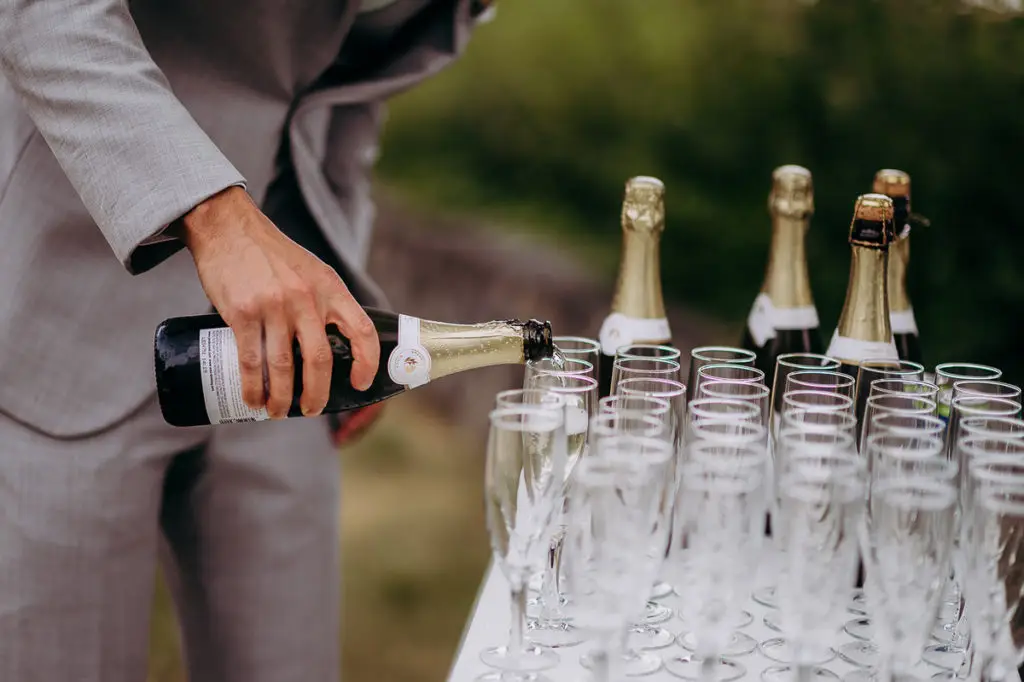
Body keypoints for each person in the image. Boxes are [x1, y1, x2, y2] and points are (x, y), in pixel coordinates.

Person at [0, 0, 495, 680]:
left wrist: (337, 260)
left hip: (285, 341)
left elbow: (341, 75)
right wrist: (214, 215)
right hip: (66, 301)